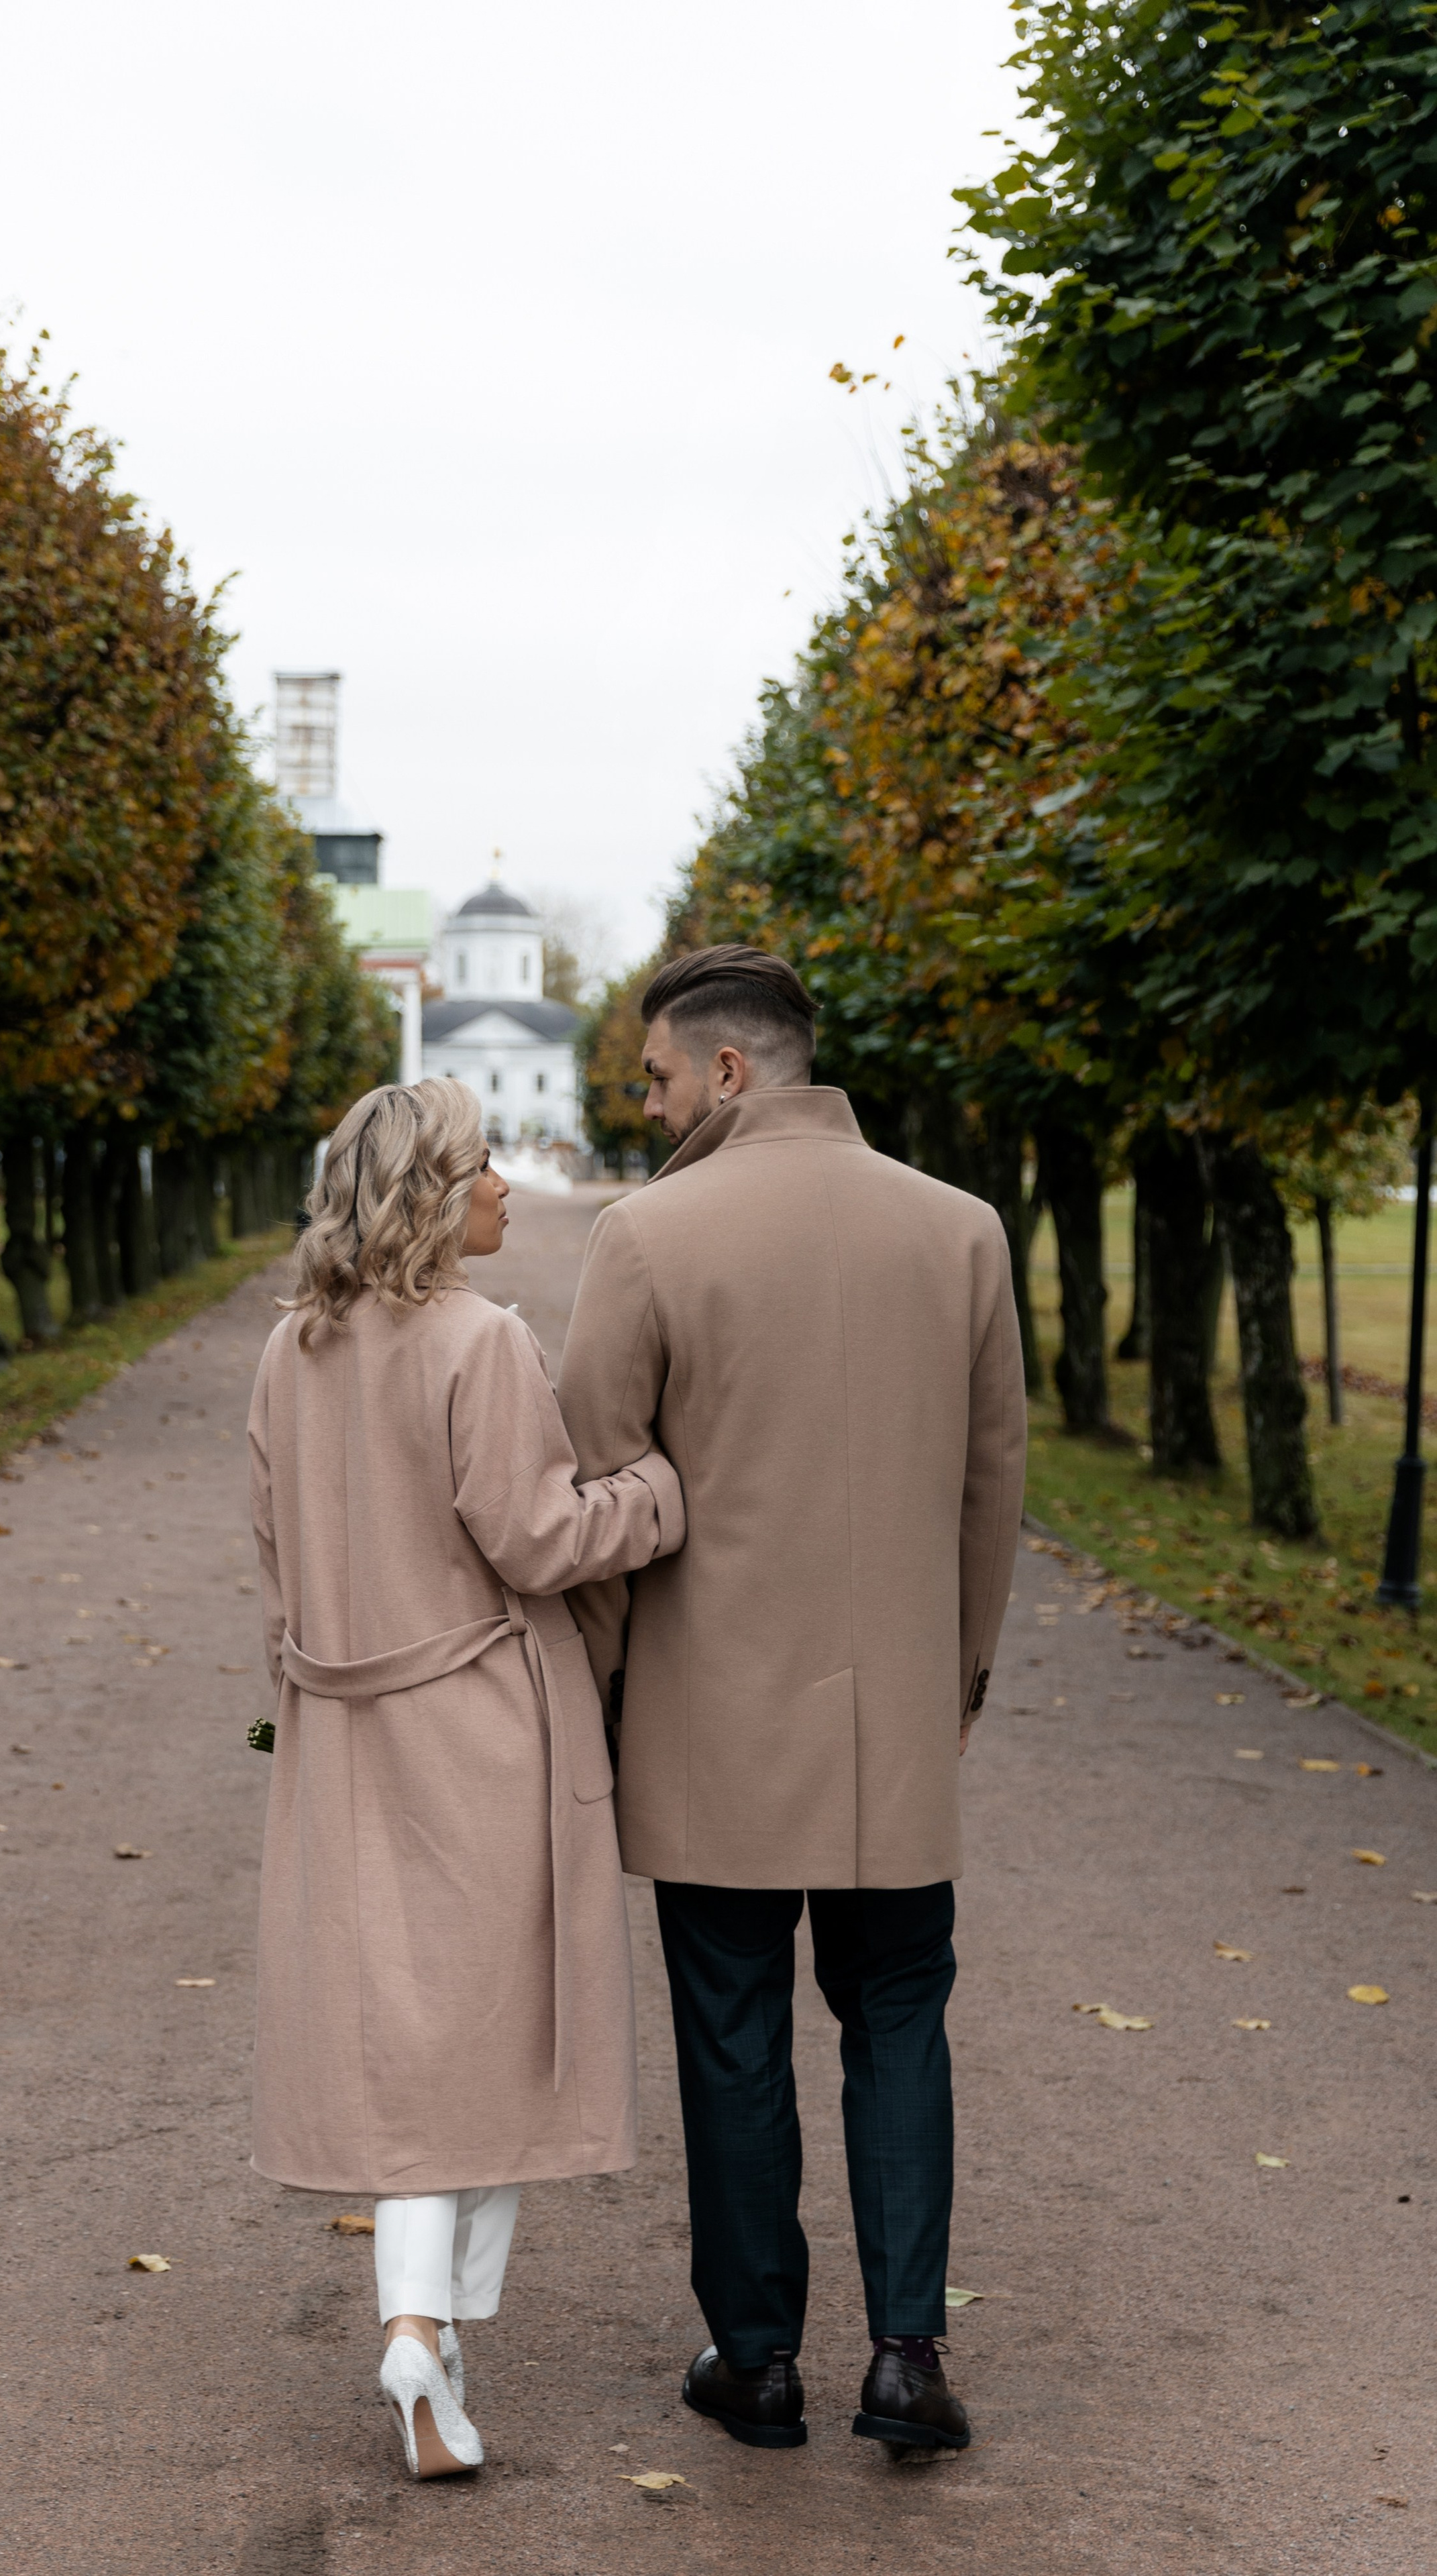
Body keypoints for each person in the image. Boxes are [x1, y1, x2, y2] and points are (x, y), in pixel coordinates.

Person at [557, 947, 1025, 2456]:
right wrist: (952, 1671)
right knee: (899, 2019)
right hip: (892, 1713)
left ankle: (755, 2358)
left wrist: (607, 1687)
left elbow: (599, 1489)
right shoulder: (959, 1231)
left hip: (706, 1719)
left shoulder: (645, 1237)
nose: (647, 1103)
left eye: (656, 1076)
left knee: (734, 2033)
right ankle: (904, 2356)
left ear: (731, 1070)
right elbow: (988, 1486)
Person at [246, 1078, 684, 2481]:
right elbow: (538, 1537)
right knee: (482, 2037)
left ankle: (427, 2333)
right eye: (483, 1168)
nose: (502, 1188)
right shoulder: (478, 1341)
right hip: (474, 1722)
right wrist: (658, 1495)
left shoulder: (287, 1351)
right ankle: (423, 2327)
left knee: (408, 2043)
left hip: (343, 1724)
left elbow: (273, 1548)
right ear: (432, 1195)